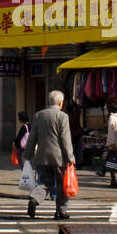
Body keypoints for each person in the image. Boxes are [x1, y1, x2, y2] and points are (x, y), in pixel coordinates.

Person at [24, 90, 75, 221]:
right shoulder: (63, 117)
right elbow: (65, 139)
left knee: (46, 182)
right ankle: (60, 211)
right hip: (59, 158)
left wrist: (28, 154)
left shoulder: (38, 115)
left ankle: (35, 199)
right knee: (62, 184)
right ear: (60, 102)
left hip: (42, 156)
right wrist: (70, 157)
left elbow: (32, 137)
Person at [67, 103, 84, 169]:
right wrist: (76, 104)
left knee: (72, 149)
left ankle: (74, 163)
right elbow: (79, 109)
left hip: (71, 134)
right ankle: (79, 163)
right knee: (79, 149)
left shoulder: (67, 116)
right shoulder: (76, 114)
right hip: (78, 133)